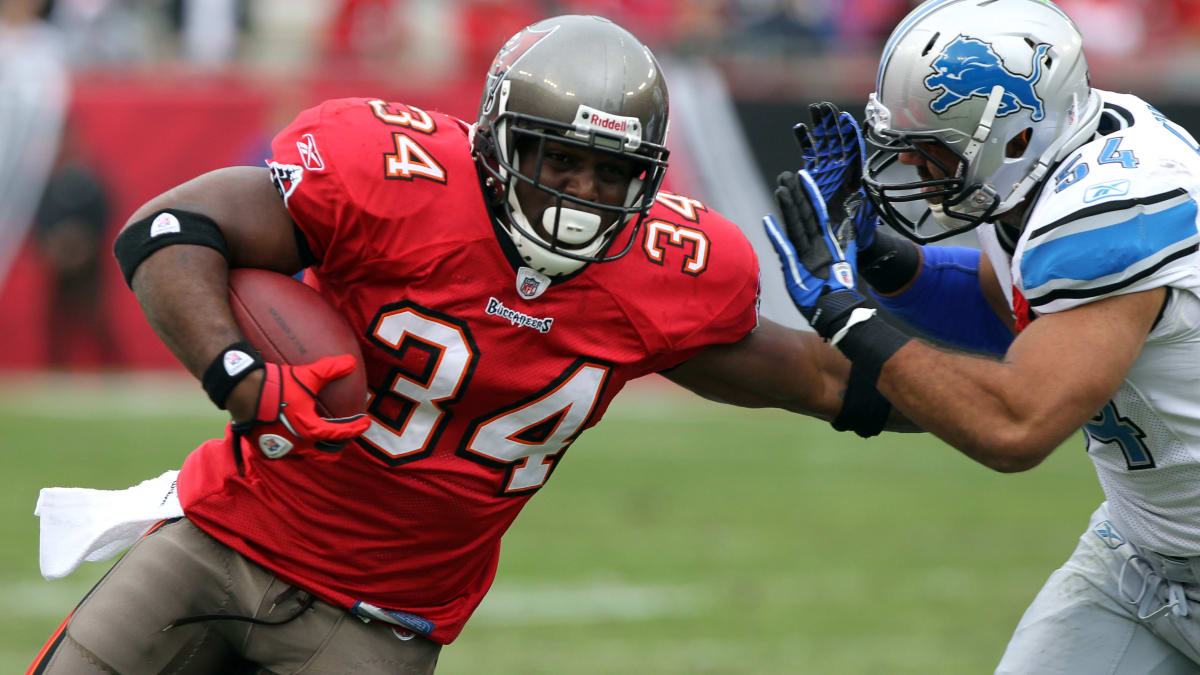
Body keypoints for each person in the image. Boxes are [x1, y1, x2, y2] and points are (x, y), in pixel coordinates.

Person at [29, 15, 892, 674]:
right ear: (497, 143)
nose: (583, 194)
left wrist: (956, 358)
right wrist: (241, 375)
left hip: (378, 621)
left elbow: (837, 384)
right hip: (219, 539)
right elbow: (170, 229)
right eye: (558, 159)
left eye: (610, 172)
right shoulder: (394, 182)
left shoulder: (663, 273)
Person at [764, 0, 1200, 672]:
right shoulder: (1050, 159)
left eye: (930, 148)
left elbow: (1014, 424)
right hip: (1141, 557)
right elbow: (1010, 312)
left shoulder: (1114, 206)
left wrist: (845, 313)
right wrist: (877, 256)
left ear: (1015, 135)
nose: (915, 171)